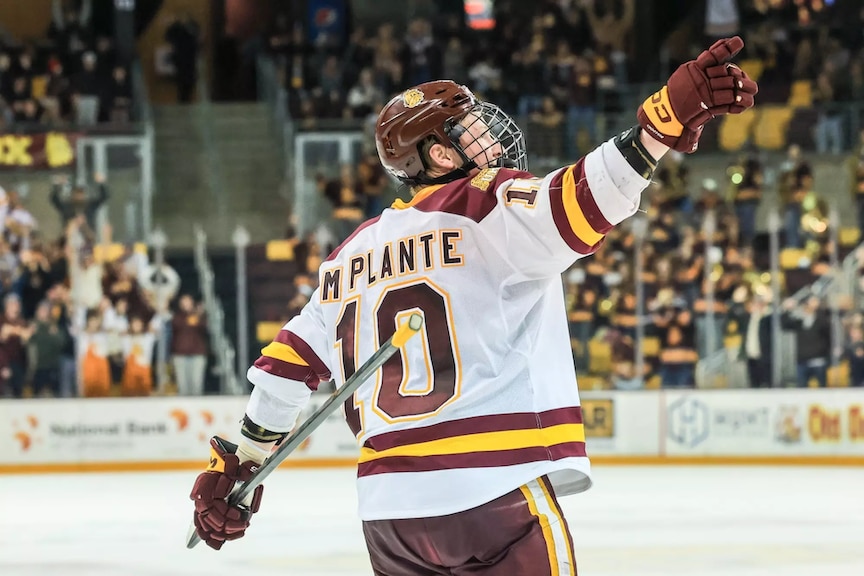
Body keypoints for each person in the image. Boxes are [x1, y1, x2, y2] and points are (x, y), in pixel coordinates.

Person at [188, 37, 757, 573]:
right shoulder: (482, 204)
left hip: (389, 514)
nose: (490, 133)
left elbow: (286, 373)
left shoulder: (347, 256)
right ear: (438, 154)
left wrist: (237, 463)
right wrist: (658, 125)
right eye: (471, 127)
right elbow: (582, 199)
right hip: (491, 488)